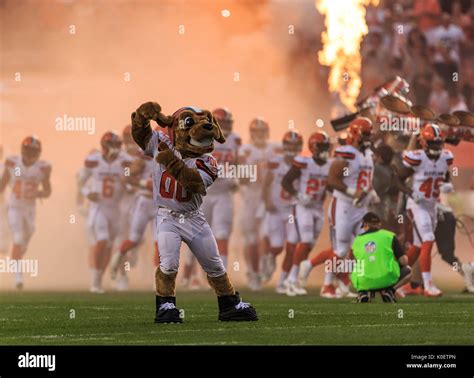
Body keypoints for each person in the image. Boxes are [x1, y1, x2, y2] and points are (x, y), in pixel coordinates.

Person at [0, 136, 52, 289]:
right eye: (28, 150)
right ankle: (18, 278)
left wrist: (38, 194)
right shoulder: (12, 163)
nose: (30, 154)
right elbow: (2, 186)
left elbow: (48, 191)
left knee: (29, 232)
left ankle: (18, 252)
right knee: (17, 237)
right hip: (14, 207)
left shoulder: (43, 168)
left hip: (30, 208)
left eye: (33, 151)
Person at [351, 212, 412, 303]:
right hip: (387, 279)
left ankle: (362, 292)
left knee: (356, 267)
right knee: (408, 270)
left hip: (364, 280)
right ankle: (388, 291)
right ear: (379, 224)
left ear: (365, 225)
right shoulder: (390, 236)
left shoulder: (357, 240)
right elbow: (404, 261)